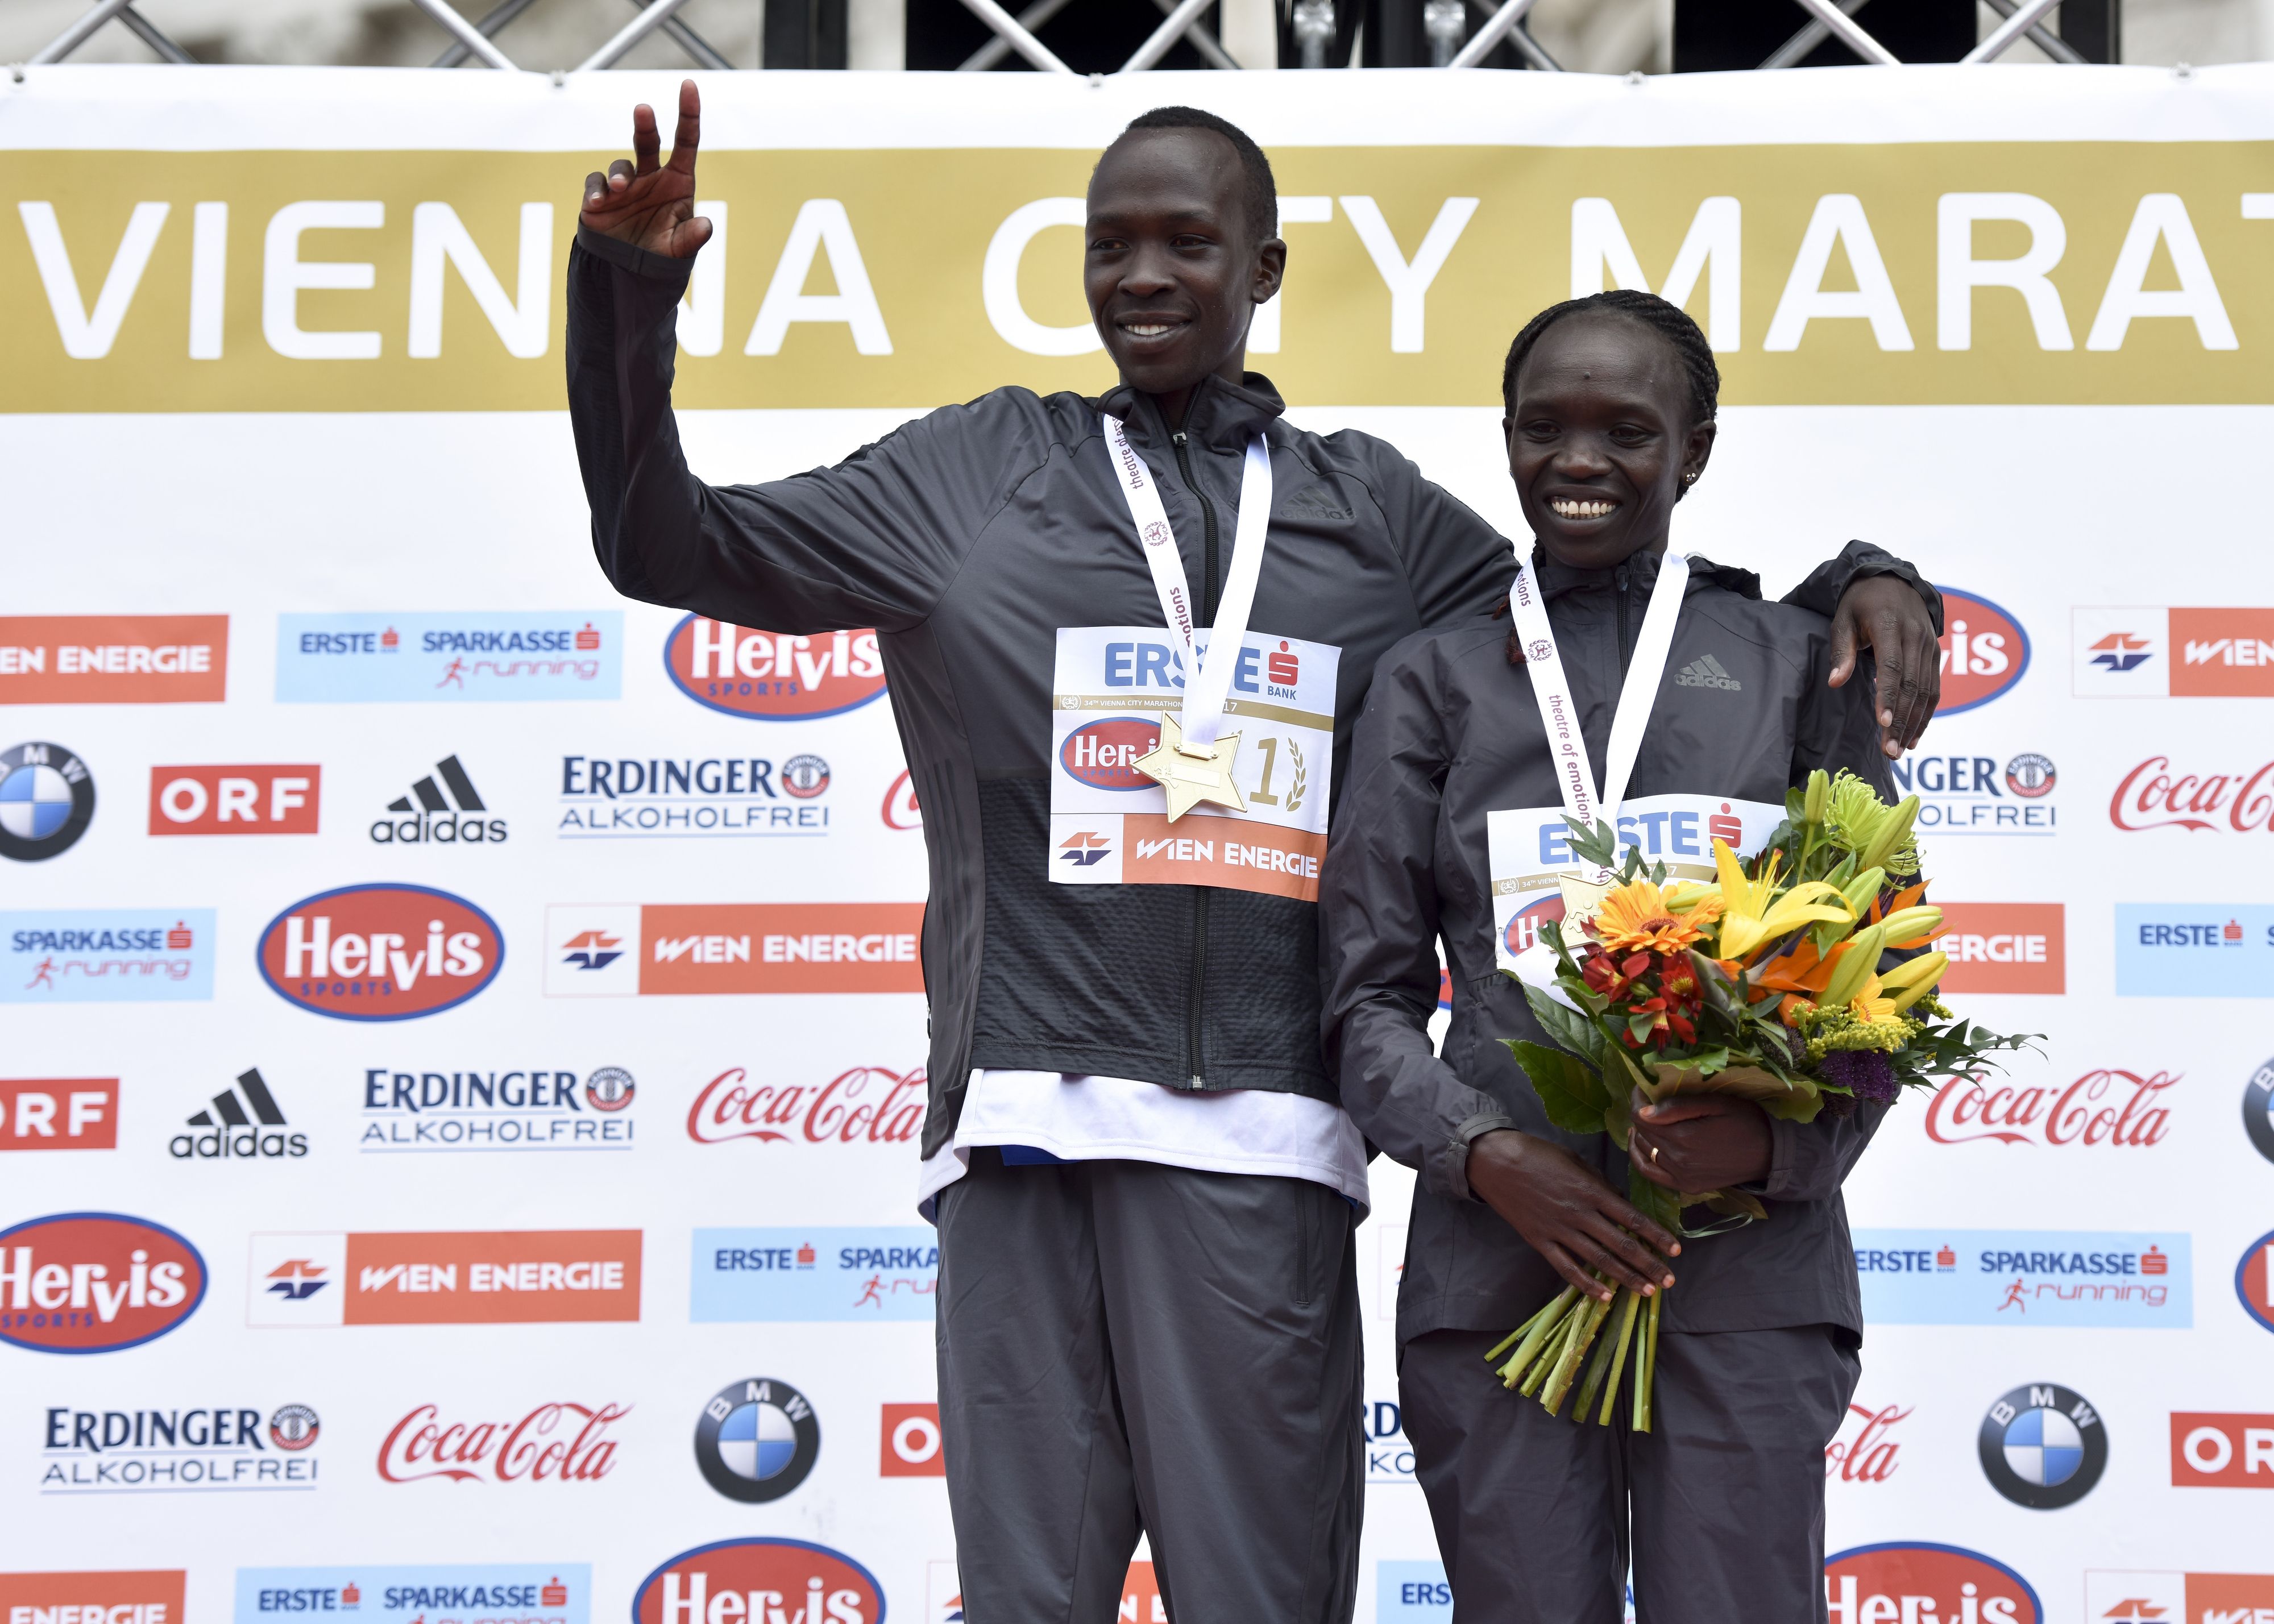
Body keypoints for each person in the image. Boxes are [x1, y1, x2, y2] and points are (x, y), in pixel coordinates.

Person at [570, 89, 1940, 1624]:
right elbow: (666, 542)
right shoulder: (978, 469)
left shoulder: (1370, 511)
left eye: (1186, 242)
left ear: (1264, 269)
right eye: (1110, 246)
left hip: (1262, 1147)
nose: (1143, 276)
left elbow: (1606, 605)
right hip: (1025, 1119)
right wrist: (627, 299)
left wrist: (1861, 584)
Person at [1320, 288, 1903, 1624]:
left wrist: (1771, 1151)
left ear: (1692, 451)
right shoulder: (1433, 678)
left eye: (1625, 431)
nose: (1576, 460)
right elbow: (1360, 1002)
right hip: (1498, 1275)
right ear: (1505, 438)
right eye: (1543, 428)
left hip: (1745, 1275)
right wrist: (1481, 1152)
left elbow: (1874, 983)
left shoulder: (1793, 666)